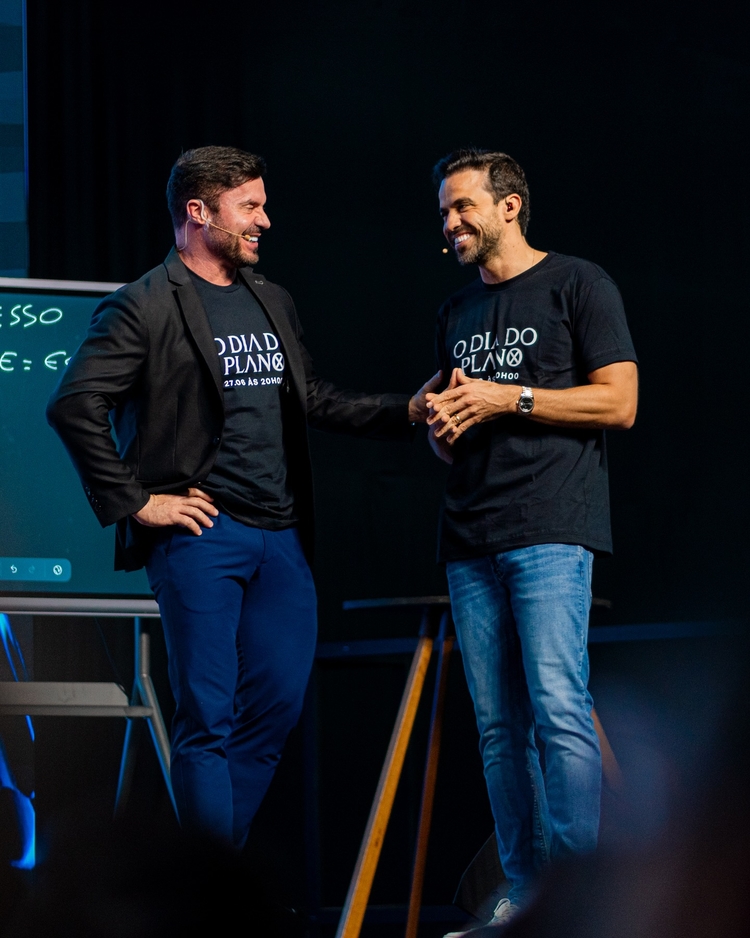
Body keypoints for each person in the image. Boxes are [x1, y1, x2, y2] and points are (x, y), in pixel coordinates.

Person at [46, 145, 438, 849]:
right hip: (202, 538)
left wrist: (401, 412)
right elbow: (72, 404)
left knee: (278, 707)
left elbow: (311, 397)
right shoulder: (141, 306)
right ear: (198, 212)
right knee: (207, 719)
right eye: (249, 206)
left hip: (281, 537)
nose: (265, 219)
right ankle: (206, 902)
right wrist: (137, 502)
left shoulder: (271, 299)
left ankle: (208, 876)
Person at [424, 149, 638, 932]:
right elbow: (456, 432)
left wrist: (506, 396)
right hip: (469, 536)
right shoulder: (455, 312)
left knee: (557, 707)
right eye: (444, 211)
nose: (450, 223)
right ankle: (524, 891)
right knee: (496, 728)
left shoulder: (579, 283)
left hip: (551, 527)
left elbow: (619, 403)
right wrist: (438, 421)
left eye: (462, 207)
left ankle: (580, 897)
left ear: (509, 206)